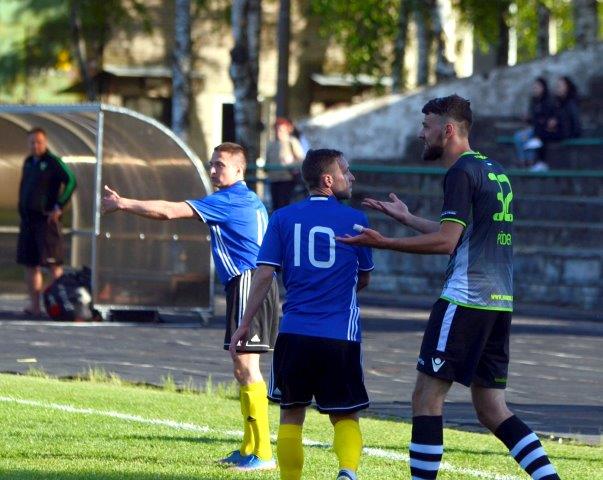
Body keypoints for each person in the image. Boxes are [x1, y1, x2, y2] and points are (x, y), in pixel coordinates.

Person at [339, 95, 561, 480]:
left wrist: (384, 242)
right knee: (491, 408)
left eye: (426, 127)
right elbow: (461, 235)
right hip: (498, 302)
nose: (421, 134)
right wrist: (408, 219)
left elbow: (446, 243)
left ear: (448, 130)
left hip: (466, 299)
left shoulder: (459, 172)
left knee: (426, 398)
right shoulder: (493, 169)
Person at [101, 142, 278, 471]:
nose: (213, 170)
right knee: (241, 366)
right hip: (250, 282)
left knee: (247, 366)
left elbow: (168, 211)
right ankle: (250, 447)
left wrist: (123, 203)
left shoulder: (230, 199)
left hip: (249, 282)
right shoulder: (246, 198)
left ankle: (263, 453)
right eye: (211, 164)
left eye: (220, 164)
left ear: (239, 169)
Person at [230, 149, 374, 480]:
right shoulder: (356, 220)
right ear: (328, 179)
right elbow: (363, 277)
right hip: (340, 335)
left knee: (291, 416)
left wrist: (245, 323)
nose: (351, 177)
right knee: (345, 416)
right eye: (346, 171)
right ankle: (347, 471)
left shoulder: (282, 217)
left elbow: (264, 274)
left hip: (294, 333)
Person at [17, 127, 77, 316]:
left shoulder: (53, 162)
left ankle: (60, 305)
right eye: (32, 142)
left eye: (39, 142)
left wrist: (59, 206)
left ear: (45, 142)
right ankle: (35, 306)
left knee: (53, 265)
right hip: (28, 221)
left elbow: (71, 181)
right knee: (30, 264)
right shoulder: (28, 162)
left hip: (46, 221)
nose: (35, 146)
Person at [532, 76, 582, 172]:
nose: (557, 88)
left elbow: (572, 122)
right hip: (562, 131)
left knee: (541, 134)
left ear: (567, 87)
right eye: (557, 86)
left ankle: (541, 162)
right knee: (540, 132)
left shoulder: (570, 103)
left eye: (560, 86)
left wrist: (557, 122)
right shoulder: (557, 102)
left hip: (568, 133)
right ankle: (539, 162)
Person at [512, 77, 554, 168]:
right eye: (534, 87)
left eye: (537, 87)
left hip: (541, 131)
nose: (535, 89)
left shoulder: (548, 102)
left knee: (525, 138)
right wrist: (527, 118)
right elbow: (533, 119)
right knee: (519, 137)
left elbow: (544, 119)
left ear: (543, 88)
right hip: (534, 128)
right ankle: (523, 161)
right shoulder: (534, 101)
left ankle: (529, 162)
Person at [265, 117, 305, 211]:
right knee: (276, 207)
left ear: (287, 130)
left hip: (288, 181)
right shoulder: (271, 144)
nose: (278, 132)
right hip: (274, 181)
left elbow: (302, 160)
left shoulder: (292, 142)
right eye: (276, 129)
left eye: (281, 129)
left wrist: (291, 163)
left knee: (286, 206)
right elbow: (267, 163)